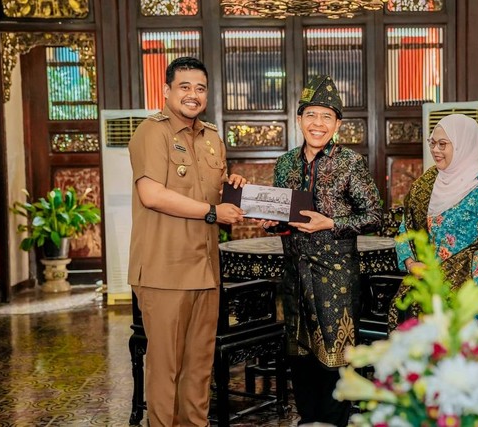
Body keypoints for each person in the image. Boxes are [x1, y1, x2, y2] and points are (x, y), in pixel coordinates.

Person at [128, 56, 247, 427]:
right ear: (166, 91)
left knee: (198, 371)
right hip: (164, 271)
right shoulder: (152, 132)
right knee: (166, 371)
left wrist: (235, 187)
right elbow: (152, 194)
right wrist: (213, 212)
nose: (193, 95)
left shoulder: (212, 137)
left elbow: (215, 190)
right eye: (184, 87)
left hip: (205, 270)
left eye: (200, 88)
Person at [262, 75, 383, 427]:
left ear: (338, 124)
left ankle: (332, 421)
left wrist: (330, 223)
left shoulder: (350, 162)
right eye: (311, 115)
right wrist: (273, 222)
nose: (318, 124)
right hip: (294, 273)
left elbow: (375, 215)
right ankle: (308, 418)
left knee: (334, 354)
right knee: (299, 352)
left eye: (326, 117)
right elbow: (284, 213)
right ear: (299, 119)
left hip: (335, 277)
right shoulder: (285, 164)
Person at [388, 114, 478, 329]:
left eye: (443, 144)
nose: (435, 150)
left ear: (464, 145)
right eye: (433, 143)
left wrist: (463, 272)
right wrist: (411, 263)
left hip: (467, 292)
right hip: (425, 285)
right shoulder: (426, 183)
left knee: (463, 354)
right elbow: (405, 228)